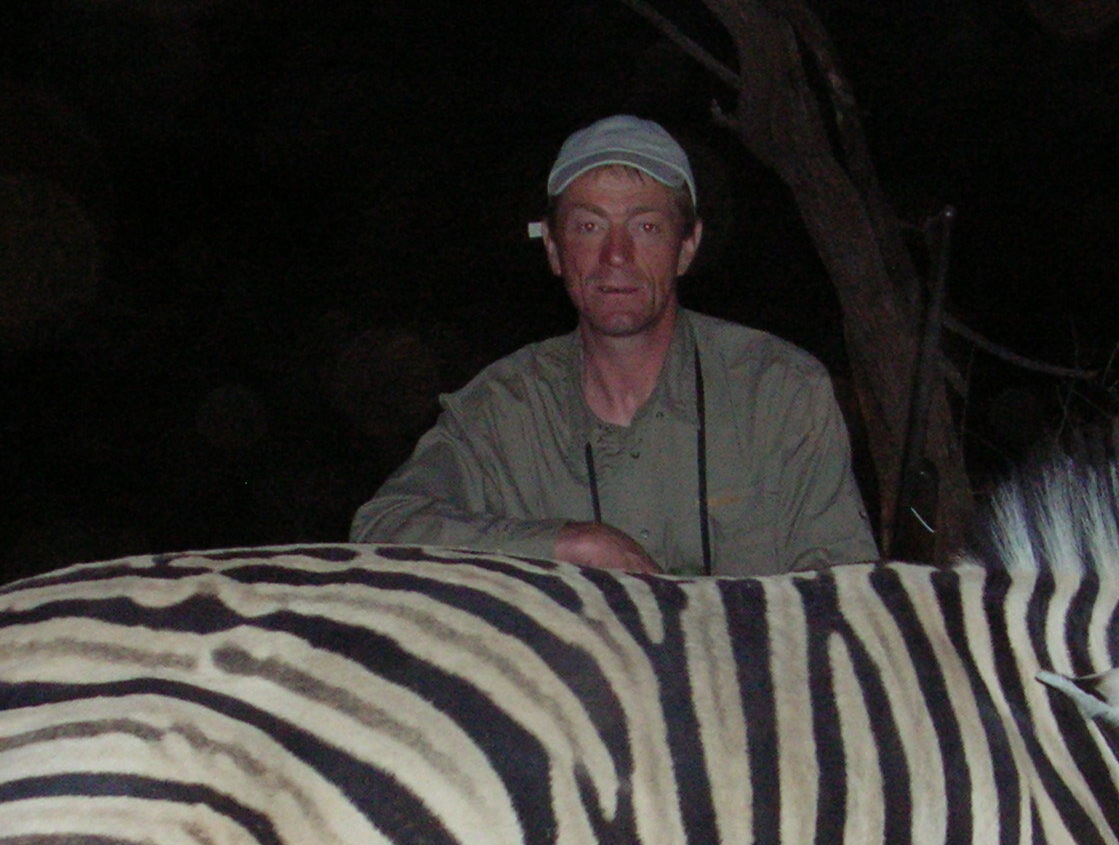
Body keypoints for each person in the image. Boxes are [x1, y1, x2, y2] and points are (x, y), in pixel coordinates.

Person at [350, 116, 877, 575]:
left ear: (687, 246)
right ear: (555, 251)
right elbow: (379, 527)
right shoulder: (502, 407)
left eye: (646, 226)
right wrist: (567, 543)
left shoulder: (783, 390)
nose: (616, 255)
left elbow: (847, 591)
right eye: (588, 226)